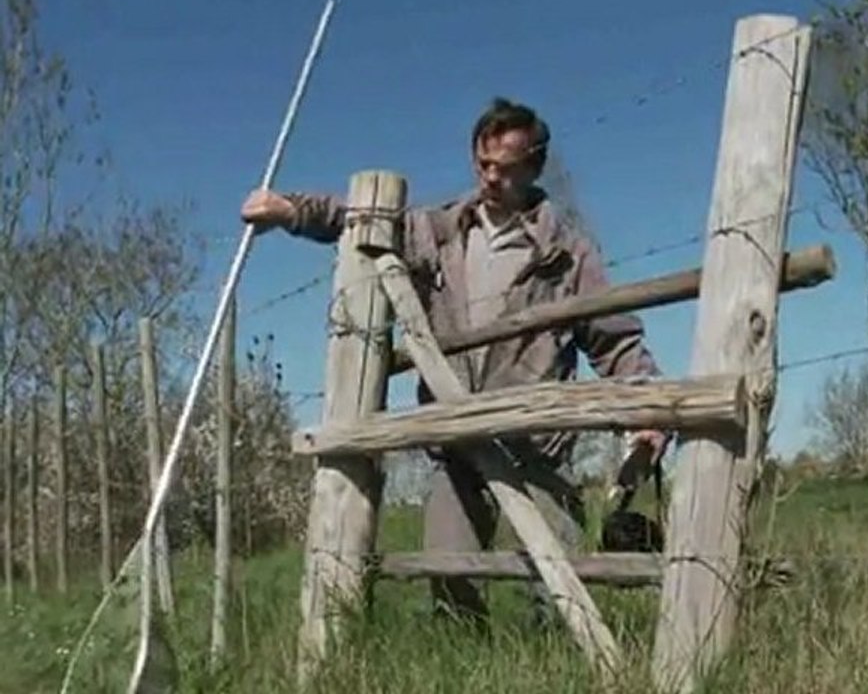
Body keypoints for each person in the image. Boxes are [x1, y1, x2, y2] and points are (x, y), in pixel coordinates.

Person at [241, 96, 667, 627]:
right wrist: (290, 211)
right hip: (456, 440)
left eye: (505, 168)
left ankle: (559, 670)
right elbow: (361, 218)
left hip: (537, 442)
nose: (490, 178)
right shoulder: (437, 232)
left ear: (533, 167)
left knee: (560, 589)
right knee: (449, 578)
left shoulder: (567, 252)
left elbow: (613, 339)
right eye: (482, 164)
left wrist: (646, 408)